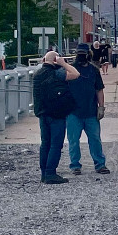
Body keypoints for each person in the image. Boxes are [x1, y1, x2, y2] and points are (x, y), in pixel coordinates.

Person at [33, 50, 79, 184]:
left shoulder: (37, 74)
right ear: (55, 60)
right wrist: (63, 63)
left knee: (45, 144)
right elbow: (76, 74)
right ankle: (50, 173)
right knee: (55, 144)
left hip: (42, 113)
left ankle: (44, 173)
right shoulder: (57, 73)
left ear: (43, 60)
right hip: (57, 114)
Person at [66, 44, 110, 176]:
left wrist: (101, 107)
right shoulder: (70, 70)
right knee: (73, 141)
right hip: (73, 112)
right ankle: (75, 166)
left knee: (95, 139)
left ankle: (100, 164)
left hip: (91, 111)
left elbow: (99, 89)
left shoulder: (94, 70)